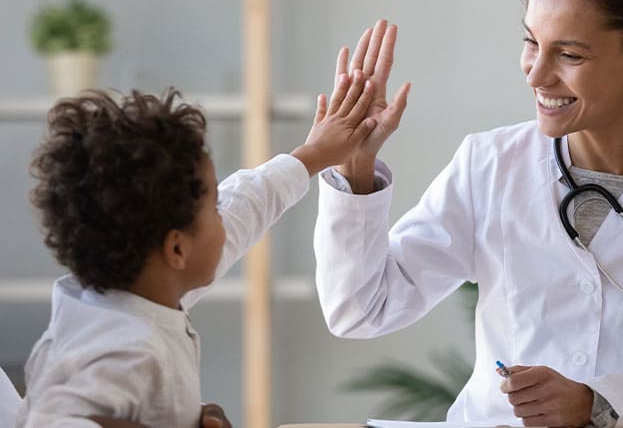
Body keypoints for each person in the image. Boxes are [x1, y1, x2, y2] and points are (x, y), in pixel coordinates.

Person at [313, 0, 623, 427]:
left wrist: (601, 403)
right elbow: (362, 310)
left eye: (569, 55)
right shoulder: (491, 166)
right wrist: (354, 168)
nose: (535, 74)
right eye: (531, 42)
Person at [16, 71, 378, 428]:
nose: (225, 218)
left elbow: (244, 208)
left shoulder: (135, 293)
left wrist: (311, 156)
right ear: (176, 249)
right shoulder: (119, 350)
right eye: (214, 207)